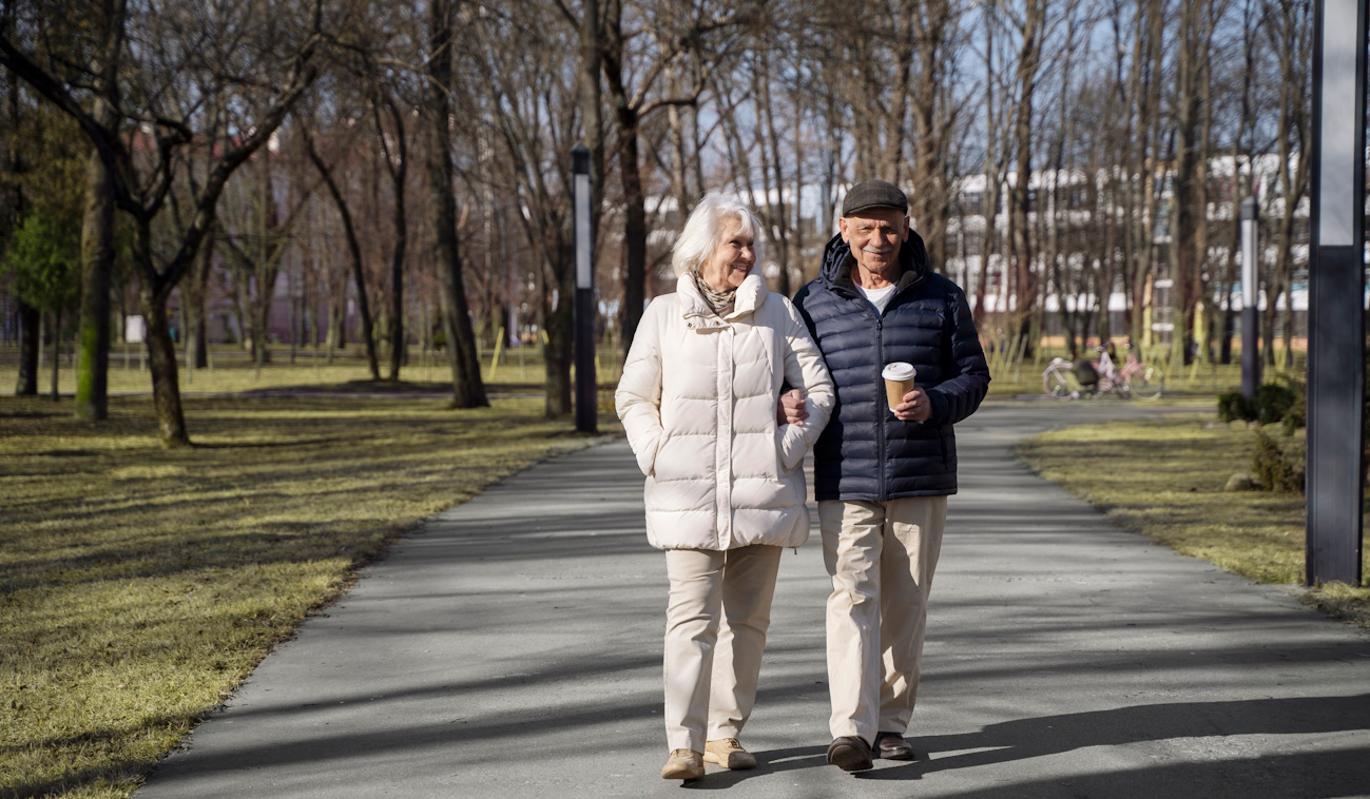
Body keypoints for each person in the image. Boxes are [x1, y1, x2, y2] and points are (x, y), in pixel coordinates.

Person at [616, 194, 834, 781]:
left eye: (750, 244)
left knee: (749, 624)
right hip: (685, 497)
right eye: (736, 242)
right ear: (702, 248)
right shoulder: (663, 314)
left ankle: (725, 736)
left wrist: (784, 448)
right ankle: (682, 744)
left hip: (761, 498)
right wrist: (655, 454)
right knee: (690, 621)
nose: (747, 253)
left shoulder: (778, 314)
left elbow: (818, 391)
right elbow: (634, 397)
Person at [786, 179, 990, 772]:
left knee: (905, 602)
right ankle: (851, 727)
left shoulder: (942, 297)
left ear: (907, 225)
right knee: (851, 597)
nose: (879, 238)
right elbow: (789, 378)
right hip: (843, 475)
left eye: (890, 225)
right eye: (866, 226)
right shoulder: (812, 302)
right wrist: (787, 402)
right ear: (844, 228)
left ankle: (891, 724)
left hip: (920, 474)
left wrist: (935, 400)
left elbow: (973, 377)